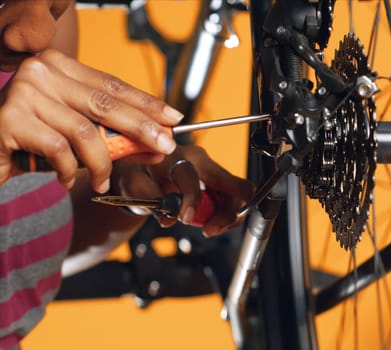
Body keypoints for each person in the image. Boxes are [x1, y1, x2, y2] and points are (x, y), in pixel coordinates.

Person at [0, 1, 254, 348]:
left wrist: (129, 184)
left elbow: (17, 253)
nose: (39, 33)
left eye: (56, 7)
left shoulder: (38, 28)